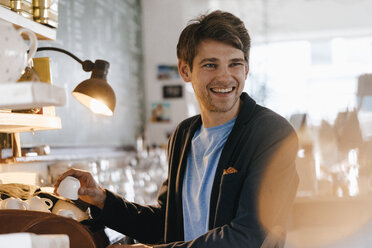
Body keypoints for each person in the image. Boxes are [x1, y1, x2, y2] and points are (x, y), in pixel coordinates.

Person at [55, 10, 299, 248]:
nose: (225, 77)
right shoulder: (183, 135)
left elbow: (248, 237)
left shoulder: (272, 134)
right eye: (210, 65)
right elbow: (166, 224)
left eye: (235, 64)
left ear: (246, 69)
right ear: (185, 71)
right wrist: (102, 199)